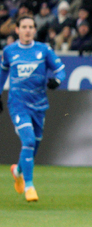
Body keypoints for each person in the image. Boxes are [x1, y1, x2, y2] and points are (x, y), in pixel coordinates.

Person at [0, 15, 66, 202]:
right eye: (24, 27)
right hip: (18, 104)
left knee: (34, 146)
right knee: (28, 140)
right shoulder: (9, 51)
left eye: (31, 27)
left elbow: (61, 70)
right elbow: (3, 72)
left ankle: (18, 170)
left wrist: (57, 80)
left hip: (39, 105)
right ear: (17, 30)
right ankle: (29, 185)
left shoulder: (44, 50)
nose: (27, 30)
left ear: (35, 30)